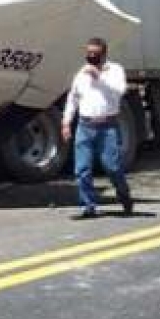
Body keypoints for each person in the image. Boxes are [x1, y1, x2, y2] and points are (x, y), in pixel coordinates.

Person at [61, 37, 134, 219]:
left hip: (107, 126)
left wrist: (99, 77)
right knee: (82, 169)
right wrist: (66, 122)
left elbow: (120, 90)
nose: (91, 56)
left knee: (112, 167)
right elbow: (73, 98)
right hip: (85, 126)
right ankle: (89, 206)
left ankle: (124, 195)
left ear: (104, 54)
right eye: (89, 53)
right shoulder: (81, 73)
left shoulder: (115, 70)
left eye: (96, 53)